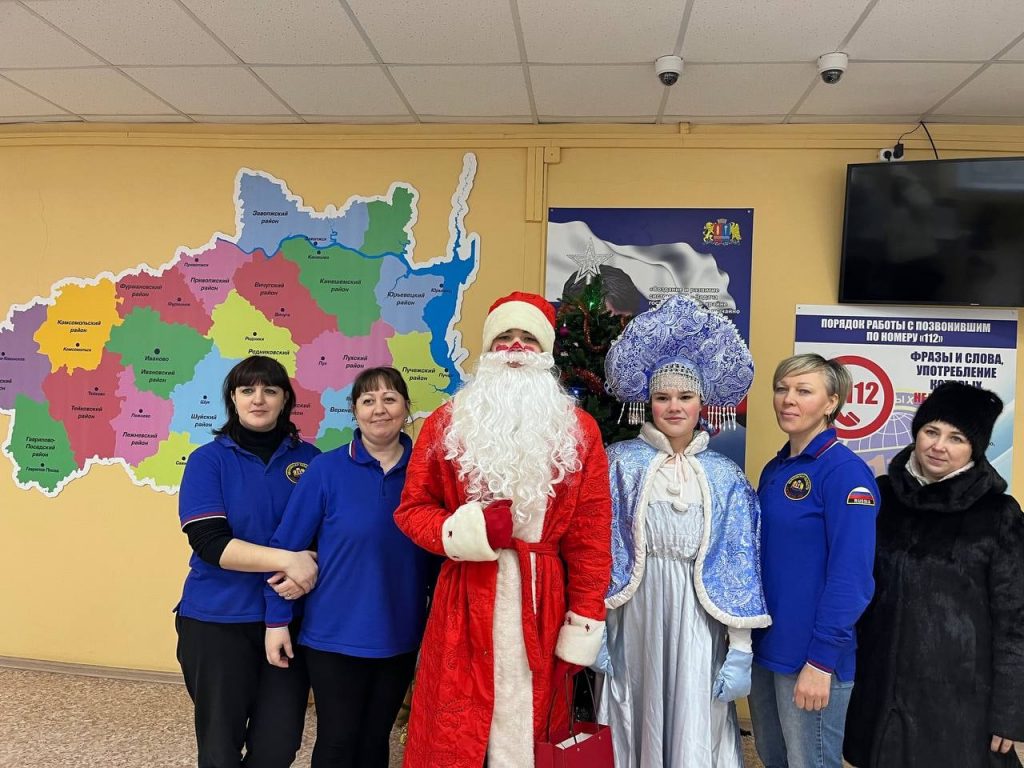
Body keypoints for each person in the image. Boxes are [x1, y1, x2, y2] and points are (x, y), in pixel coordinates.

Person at [393, 291, 613, 768]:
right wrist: (466, 530)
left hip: (543, 600)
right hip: (465, 595)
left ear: (545, 352)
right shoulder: (448, 422)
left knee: (531, 728)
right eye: (504, 338)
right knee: (457, 726)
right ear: (488, 349)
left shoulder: (578, 430)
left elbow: (591, 537)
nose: (515, 348)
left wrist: (584, 617)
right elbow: (412, 509)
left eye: (527, 338)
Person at [600, 292, 771, 767]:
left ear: (703, 403)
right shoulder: (618, 465)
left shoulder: (725, 475)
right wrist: (593, 627)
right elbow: (599, 547)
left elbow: (739, 561)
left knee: (695, 710)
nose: (674, 407)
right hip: (632, 613)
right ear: (648, 402)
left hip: (700, 613)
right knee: (634, 707)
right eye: (662, 397)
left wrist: (740, 649)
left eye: (685, 396)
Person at [263, 366, 438, 768]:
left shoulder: (427, 474)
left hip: (400, 635)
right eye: (368, 400)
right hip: (333, 637)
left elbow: (438, 557)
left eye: (390, 399)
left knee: (376, 740)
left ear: (406, 407)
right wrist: (276, 620)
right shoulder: (326, 470)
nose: (379, 409)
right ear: (355, 411)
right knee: (338, 742)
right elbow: (286, 548)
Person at [843, 382, 1024, 768]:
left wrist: (1011, 711)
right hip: (881, 694)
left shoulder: (998, 515)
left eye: (956, 438)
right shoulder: (881, 497)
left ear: (975, 448)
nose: (939, 446)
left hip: (961, 706)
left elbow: (1016, 623)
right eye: (931, 431)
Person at [175, 355, 320, 768]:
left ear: (285, 400)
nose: (259, 399)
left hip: (290, 619)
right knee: (220, 749)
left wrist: (309, 566)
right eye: (247, 390)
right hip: (216, 621)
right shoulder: (208, 460)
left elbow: (329, 537)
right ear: (233, 399)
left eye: (270, 390)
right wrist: (290, 560)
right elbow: (211, 543)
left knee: (278, 745)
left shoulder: (312, 460)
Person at [749, 353, 879, 768]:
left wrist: (822, 661)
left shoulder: (845, 473)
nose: (788, 399)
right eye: (782, 389)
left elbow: (851, 578)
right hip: (766, 649)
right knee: (773, 759)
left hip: (811, 658)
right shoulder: (776, 468)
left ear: (831, 402)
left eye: (803, 391)